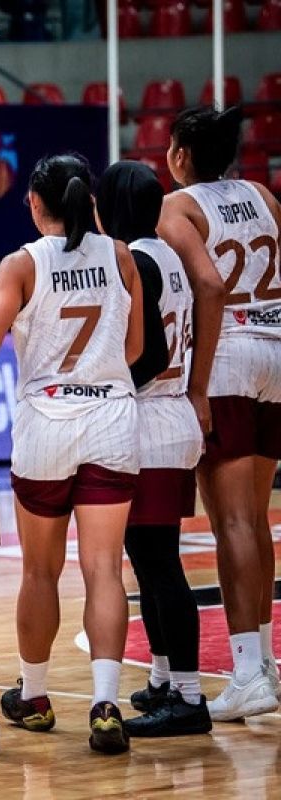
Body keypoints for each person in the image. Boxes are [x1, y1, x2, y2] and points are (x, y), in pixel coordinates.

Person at [0, 153, 144, 755]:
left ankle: (35, 696)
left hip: (47, 421)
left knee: (40, 571)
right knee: (104, 570)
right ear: (86, 200)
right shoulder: (120, 254)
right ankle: (106, 703)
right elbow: (137, 346)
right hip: (112, 418)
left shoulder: (21, 262)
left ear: (36, 203)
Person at [158, 105, 281, 721]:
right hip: (277, 350)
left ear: (180, 154)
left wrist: (197, 384)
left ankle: (244, 671)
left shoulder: (178, 207)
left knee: (229, 520)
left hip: (228, 356)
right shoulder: (262, 194)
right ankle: (263, 661)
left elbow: (206, 284)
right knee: (255, 519)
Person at [95, 160, 212, 737]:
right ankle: (165, 678)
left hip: (154, 424)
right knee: (146, 560)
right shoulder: (165, 252)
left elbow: (150, 354)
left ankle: (189, 697)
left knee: (160, 564)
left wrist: (110, 385)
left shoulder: (136, 259)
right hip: (170, 418)